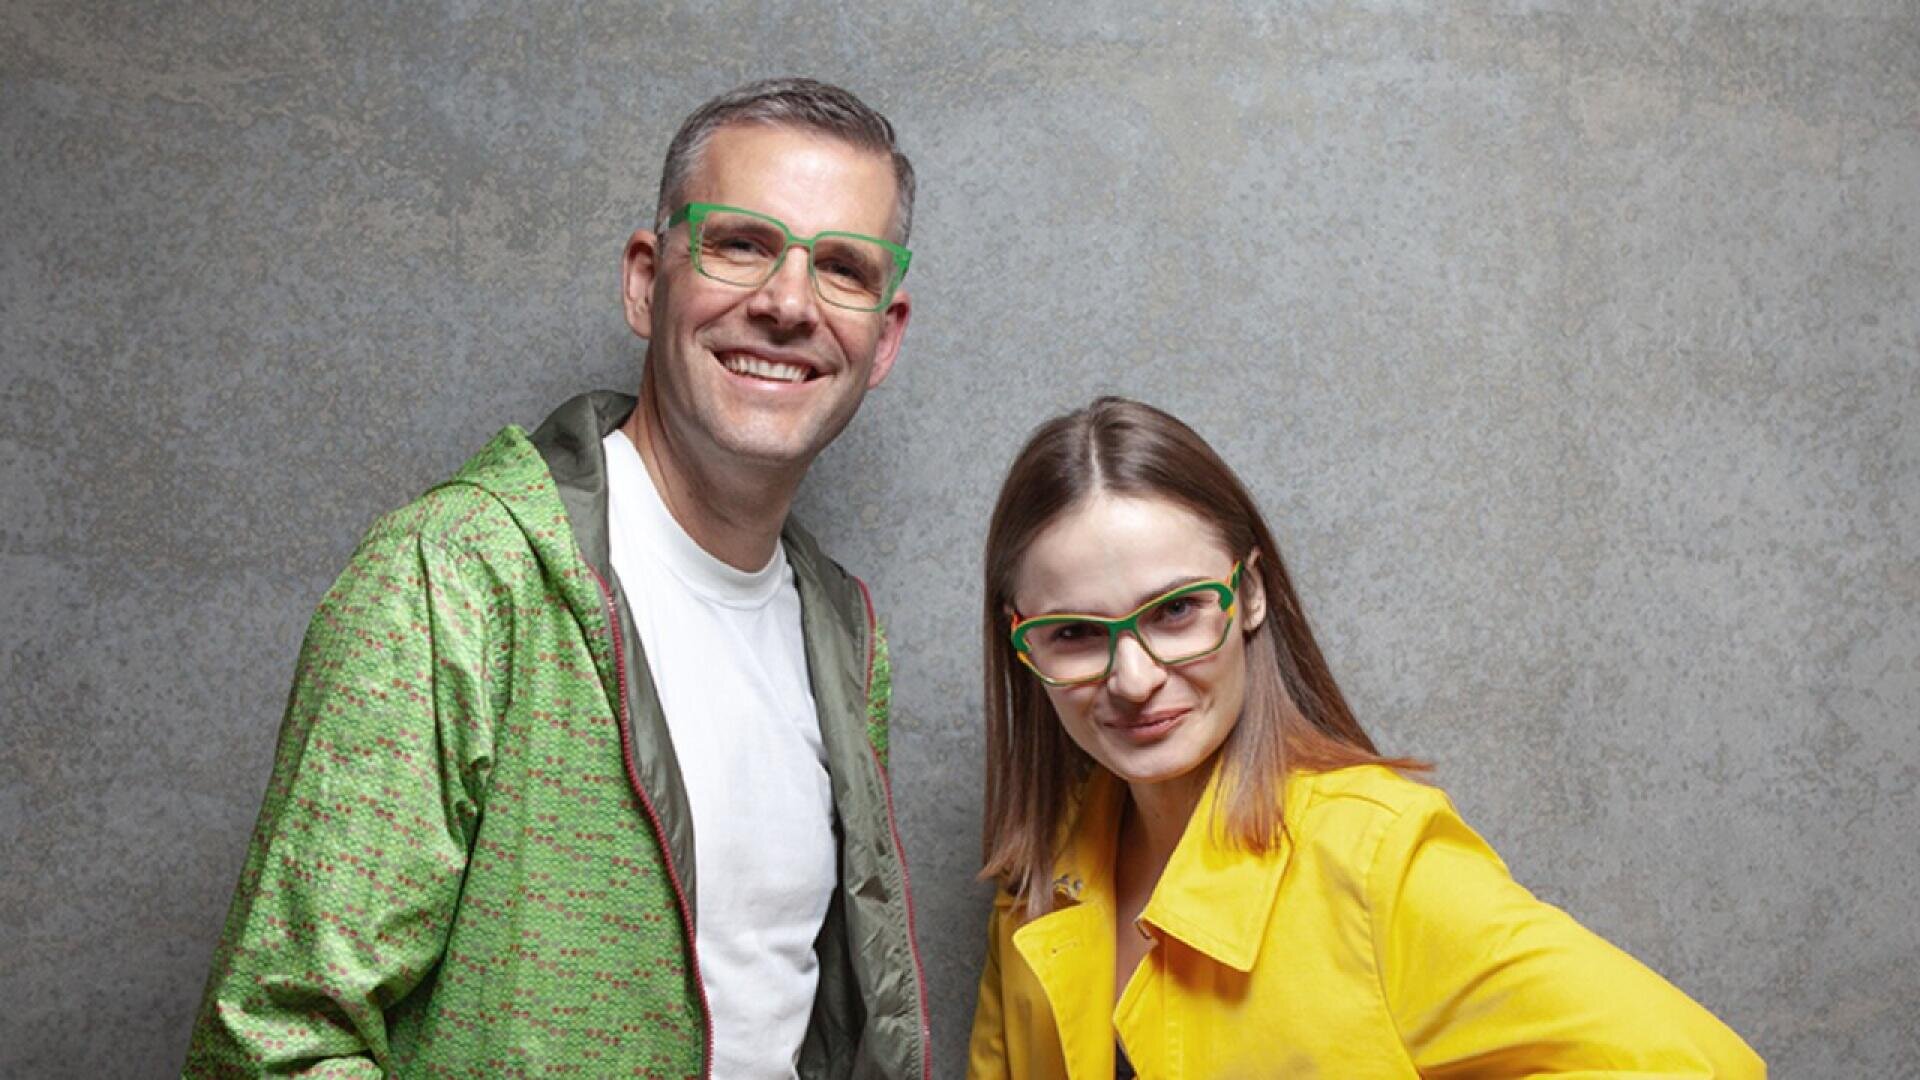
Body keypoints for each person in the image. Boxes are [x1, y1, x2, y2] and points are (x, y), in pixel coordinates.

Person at [186, 78, 929, 1079]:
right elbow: (274, 1040)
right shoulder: (456, 575)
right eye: (740, 243)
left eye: (843, 267)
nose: (788, 304)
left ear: (883, 337)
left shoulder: (844, 635)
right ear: (643, 279)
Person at [965, 397, 1764, 1078]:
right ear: (1022, 642)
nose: (1133, 679)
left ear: (1248, 597)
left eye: (1176, 610)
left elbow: (1696, 1065)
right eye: (1073, 631)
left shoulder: (1377, 857)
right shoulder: (1043, 877)